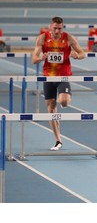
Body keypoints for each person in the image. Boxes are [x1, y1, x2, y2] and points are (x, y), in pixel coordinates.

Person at [31, 16, 86, 151]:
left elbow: (83, 53)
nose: (57, 31)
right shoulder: (42, 38)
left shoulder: (68, 38)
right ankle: (58, 140)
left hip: (63, 77)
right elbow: (34, 59)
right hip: (48, 77)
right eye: (55, 28)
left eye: (59, 28)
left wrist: (76, 56)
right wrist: (41, 58)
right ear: (51, 27)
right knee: (51, 110)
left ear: (62, 27)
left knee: (64, 101)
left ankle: (60, 110)